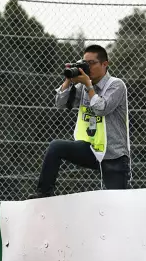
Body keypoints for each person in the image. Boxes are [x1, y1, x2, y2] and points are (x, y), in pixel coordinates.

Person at [30, 44, 130, 198]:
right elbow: (60, 103)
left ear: (105, 64)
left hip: (113, 154)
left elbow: (101, 108)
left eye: (91, 63)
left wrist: (89, 86)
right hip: (90, 148)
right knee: (56, 147)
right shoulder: (83, 86)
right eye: (84, 63)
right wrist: (68, 81)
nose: (87, 67)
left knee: (118, 202)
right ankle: (43, 194)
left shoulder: (116, 85)